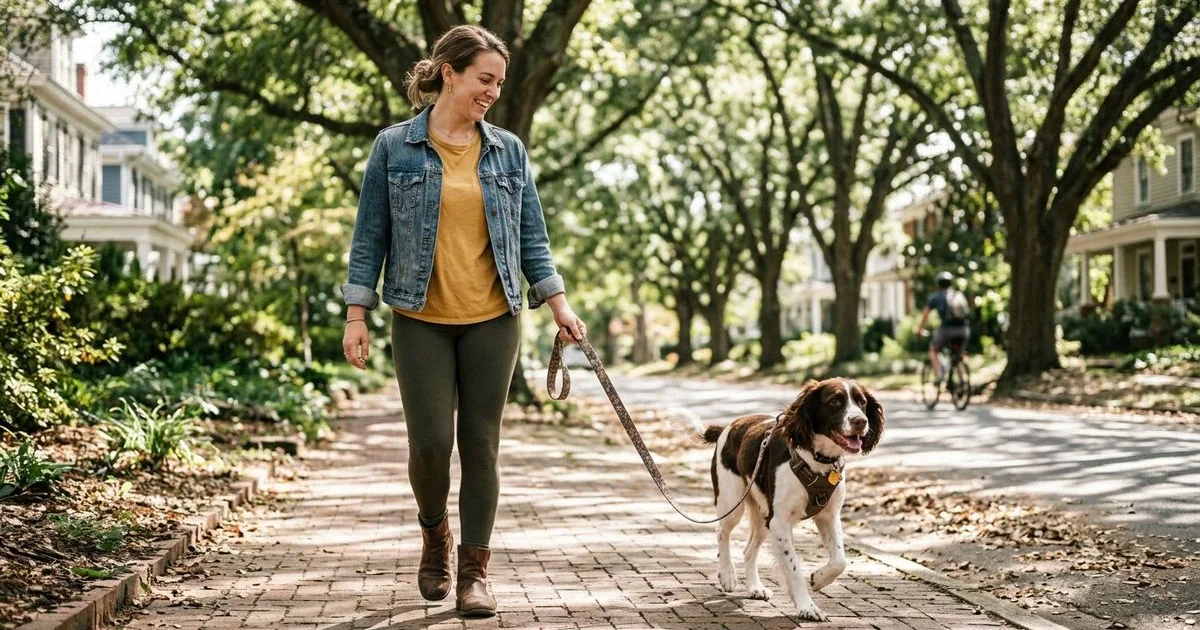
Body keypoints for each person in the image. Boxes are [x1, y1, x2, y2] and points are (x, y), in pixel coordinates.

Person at [339, 25, 586, 618]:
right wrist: (356, 314)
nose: (493, 93)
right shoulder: (394, 147)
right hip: (418, 316)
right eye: (484, 79)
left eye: (499, 83)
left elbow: (532, 238)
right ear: (449, 73)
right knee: (430, 445)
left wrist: (559, 304)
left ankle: (475, 573)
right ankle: (435, 536)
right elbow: (369, 235)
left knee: (481, 445)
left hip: (493, 318)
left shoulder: (508, 151)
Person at [915, 271, 970, 384]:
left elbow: (925, 315)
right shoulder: (957, 295)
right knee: (958, 356)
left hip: (947, 330)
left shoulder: (936, 297)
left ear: (938, 284)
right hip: (963, 330)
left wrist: (919, 330)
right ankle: (962, 382)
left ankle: (939, 375)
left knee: (933, 350)